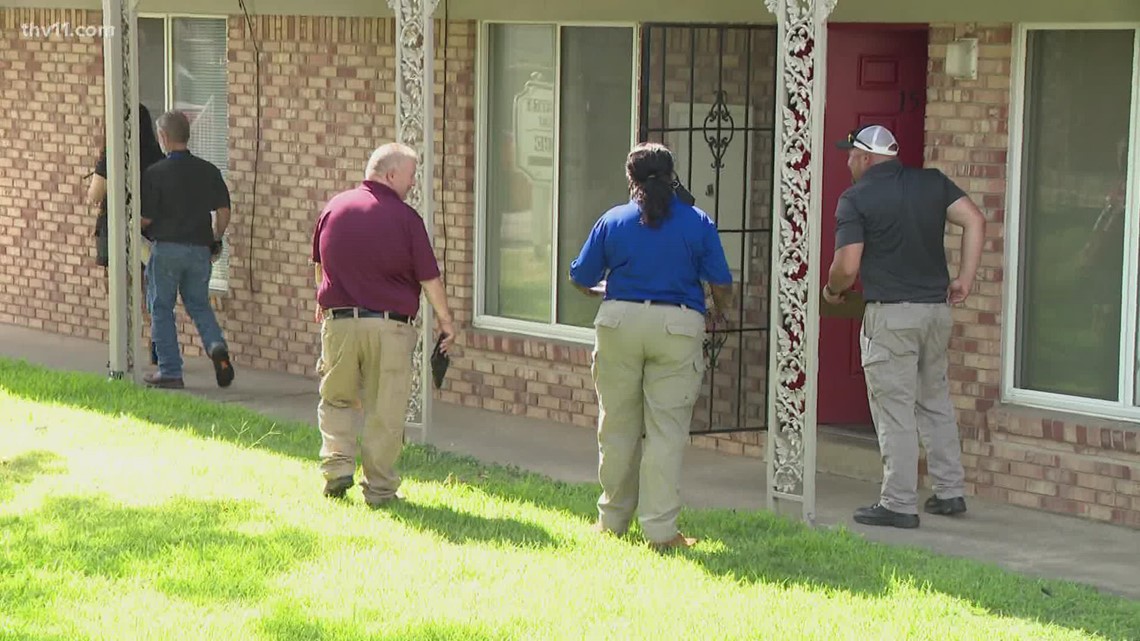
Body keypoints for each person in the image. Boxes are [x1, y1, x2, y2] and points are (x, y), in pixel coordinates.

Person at [569, 142, 733, 550]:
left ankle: (611, 522)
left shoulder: (613, 219)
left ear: (631, 179)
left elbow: (580, 276)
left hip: (620, 323)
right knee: (666, 431)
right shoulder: (697, 221)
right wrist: (718, 309)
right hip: (678, 324)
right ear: (672, 175)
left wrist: (609, 292)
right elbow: (722, 282)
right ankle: (661, 531)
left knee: (618, 426)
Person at [823, 124, 986, 529]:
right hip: (935, 312)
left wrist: (832, 291)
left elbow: (847, 265)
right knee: (935, 400)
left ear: (865, 157)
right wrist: (964, 279)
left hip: (892, 316)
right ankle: (950, 492)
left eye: (850, 155)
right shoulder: (931, 183)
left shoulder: (856, 198)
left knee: (894, 409)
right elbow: (975, 220)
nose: (847, 162)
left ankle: (898, 503)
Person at [311, 142, 456, 507]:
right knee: (385, 409)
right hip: (390, 329)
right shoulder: (407, 220)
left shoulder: (334, 208)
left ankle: (337, 467)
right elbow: (429, 279)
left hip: (339, 322)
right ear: (391, 174)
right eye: (410, 176)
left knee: (336, 398)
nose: (412, 184)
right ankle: (379, 490)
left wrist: (321, 300)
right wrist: (446, 321)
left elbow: (320, 265)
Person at [139, 110, 235, 390]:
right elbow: (224, 210)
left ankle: (170, 371)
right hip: (199, 250)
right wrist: (215, 237)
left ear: (164, 137)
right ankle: (216, 346)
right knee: (199, 304)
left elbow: (146, 218)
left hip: (167, 250)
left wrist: (133, 226)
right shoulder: (207, 170)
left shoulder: (155, 173)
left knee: (161, 307)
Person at [85, 103, 165, 365]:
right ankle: (158, 345)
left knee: (122, 290)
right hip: (151, 232)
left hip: (117, 228)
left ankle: (124, 351)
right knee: (150, 289)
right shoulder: (157, 156)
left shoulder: (113, 155)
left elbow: (95, 194)